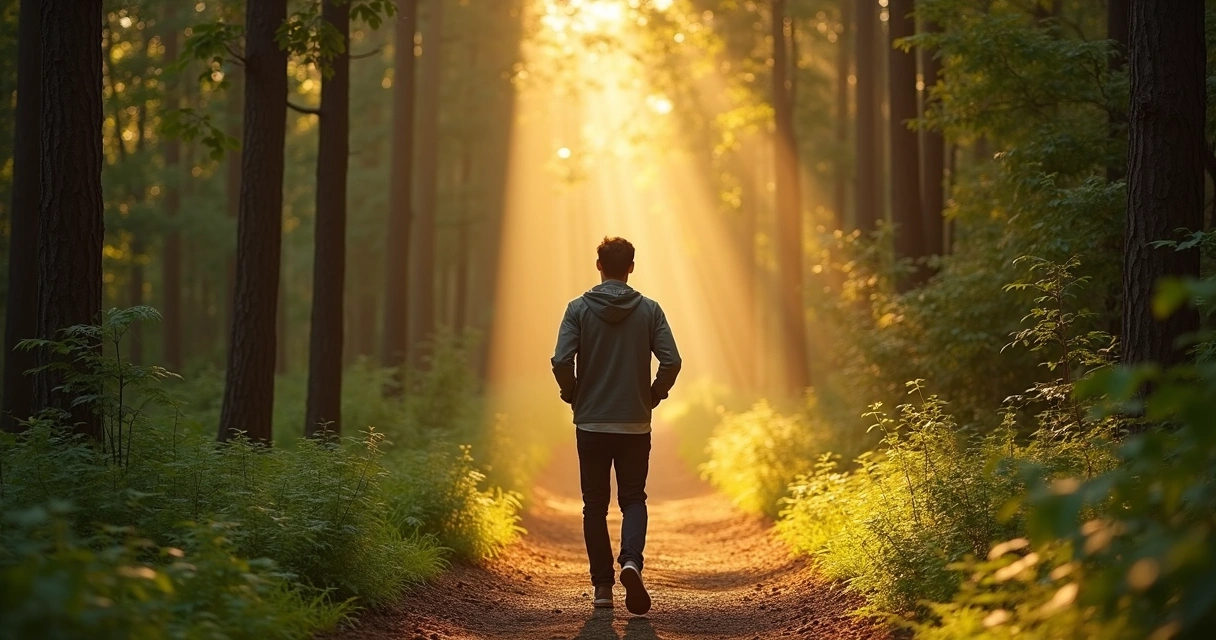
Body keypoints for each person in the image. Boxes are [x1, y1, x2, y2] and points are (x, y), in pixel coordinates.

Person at [551, 237, 682, 616]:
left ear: (598, 266)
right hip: (635, 423)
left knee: (594, 505)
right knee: (633, 499)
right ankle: (631, 563)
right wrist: (654, 394)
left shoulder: (577, 309)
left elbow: (561, 360)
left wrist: (572, 392)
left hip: (591, 421)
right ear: (631, 267)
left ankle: (603, 590)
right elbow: (671, 361)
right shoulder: (649, 311)